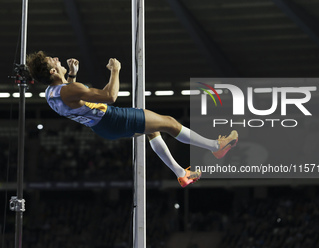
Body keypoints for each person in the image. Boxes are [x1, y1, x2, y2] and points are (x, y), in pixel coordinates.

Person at [26, 51, 238, 187]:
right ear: (53, 70)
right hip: (113, 118)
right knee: (170, 123)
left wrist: (71, 75)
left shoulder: (50, 94)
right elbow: (110, 96)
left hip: (102, 128)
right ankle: (215, 146)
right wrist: (116, 71)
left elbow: (73, 98)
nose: (56, 58)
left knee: (153, 130)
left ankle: (181, 173)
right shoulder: (69, 90)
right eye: (52, 60)